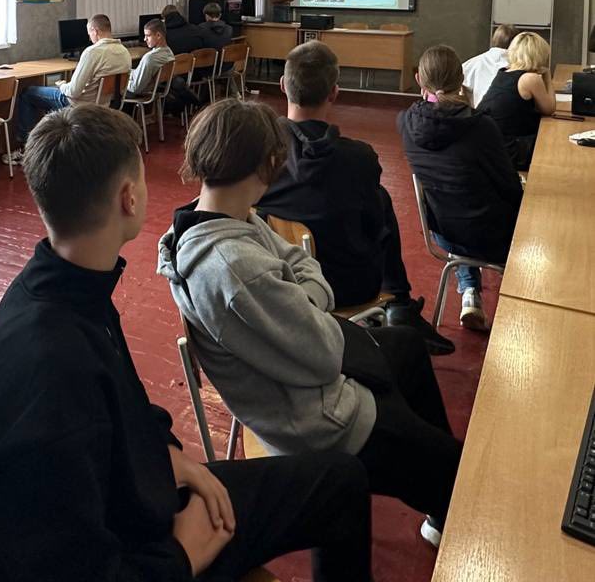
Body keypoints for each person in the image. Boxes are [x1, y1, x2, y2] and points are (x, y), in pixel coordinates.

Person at [0, 103, 373, 582]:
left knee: (342, 481)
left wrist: (171, 457)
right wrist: (182, 555)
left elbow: (121, 412)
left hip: (142, 512)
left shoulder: (69, 285)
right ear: (130, 198)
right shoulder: (50, 371)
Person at [159, 98, 462, 548]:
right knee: (461, 471)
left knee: (406, 346)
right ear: (266, 165)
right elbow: (323, 356)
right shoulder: (233, 266)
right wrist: (309, 297)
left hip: (301, 378)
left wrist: (305, 296)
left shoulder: (218, 217)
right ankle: (437, 482)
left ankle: (425, 469)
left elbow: (301, 264)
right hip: (318, 421)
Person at [258, 41, 453, 354]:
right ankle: (399, 303)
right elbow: (374, 229)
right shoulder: (359, 158)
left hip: (280, 282)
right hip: (347, 287)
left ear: (282, 85)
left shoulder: (259, 157)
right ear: (335, 93)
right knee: (379, 200)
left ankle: (399, 305)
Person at [399, 45, 523, 331]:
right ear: (461, 78)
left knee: (456, 200)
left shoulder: (405, 123)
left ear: (419, 79)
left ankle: (469, 291)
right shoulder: (482, 127)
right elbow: (509, 186)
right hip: (493, 239)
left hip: (443, 232)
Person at [8, 14, 130, 161]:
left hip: (79, 104)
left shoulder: (92, 52)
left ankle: (27, 150)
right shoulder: (124, 52)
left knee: (27, 93)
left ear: (95, 31)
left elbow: (73, 91)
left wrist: (62, 85)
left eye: (89, 33)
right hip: (104, 104)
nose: (89, 37)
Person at [476, 30, 555, 169]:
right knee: (554, 142)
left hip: (489, 146)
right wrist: (547, 75)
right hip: (510, 150)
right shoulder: (530, 78)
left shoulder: (503, 72)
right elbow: (549, 109)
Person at [461, 24, 517, 107]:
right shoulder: (520, 65)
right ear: (517, 43)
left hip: (478, 111)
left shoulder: (474, 62)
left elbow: (457, 80)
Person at [127, 17, 174, 96]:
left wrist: (121, 82)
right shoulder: (169, 53)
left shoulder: (149, 58)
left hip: (140, 93)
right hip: (154, 89)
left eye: (148, 36)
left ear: (158, 35)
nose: (145, 39)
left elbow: (135, 88)